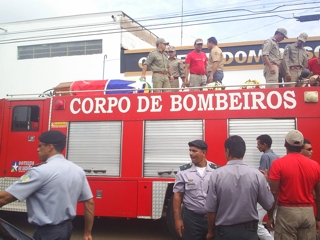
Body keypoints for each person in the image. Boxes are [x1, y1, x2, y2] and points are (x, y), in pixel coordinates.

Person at [0, 130, 94, 240]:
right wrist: (87, 233)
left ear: (50, 147)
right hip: (66, 230)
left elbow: (5, 197)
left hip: (47, 233)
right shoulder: (78, 170)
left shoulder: (39, 172)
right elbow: (89, 202)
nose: (37, 149)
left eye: (40, 146)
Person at [205, 135, 274, 240]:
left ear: (227, 151)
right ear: (243, 151)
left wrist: (210, 231)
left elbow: (211, 209)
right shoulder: (257, 175)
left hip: (224, 232)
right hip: (249, 233)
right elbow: (268, 204)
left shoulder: (216, 175)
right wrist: (265, 183)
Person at [267, 130, 320, 240]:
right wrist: (318, 218)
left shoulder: (278, 164)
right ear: (301, 145)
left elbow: (274, 193)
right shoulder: (315, 165)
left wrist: (270, 216)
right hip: (308, 212)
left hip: (287, 212)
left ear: (285, 144)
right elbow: (319, 195)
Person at [173, 140, 219, 240]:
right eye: (190, 150)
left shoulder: (216, 171)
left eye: (194, 151)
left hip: (212, 218)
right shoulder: (184, 171)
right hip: (192, 219)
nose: (191, 153)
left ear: (204, 153)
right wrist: (177, 219)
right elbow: (178, 195)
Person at [256, 134, 279, 240]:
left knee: (256, 222)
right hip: (277, 195)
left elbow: (262, 175)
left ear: (265, 144)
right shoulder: (277, 156)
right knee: (275, 222)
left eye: (259, 144)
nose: (257, 146)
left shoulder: (265, 156)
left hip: (266, 193)